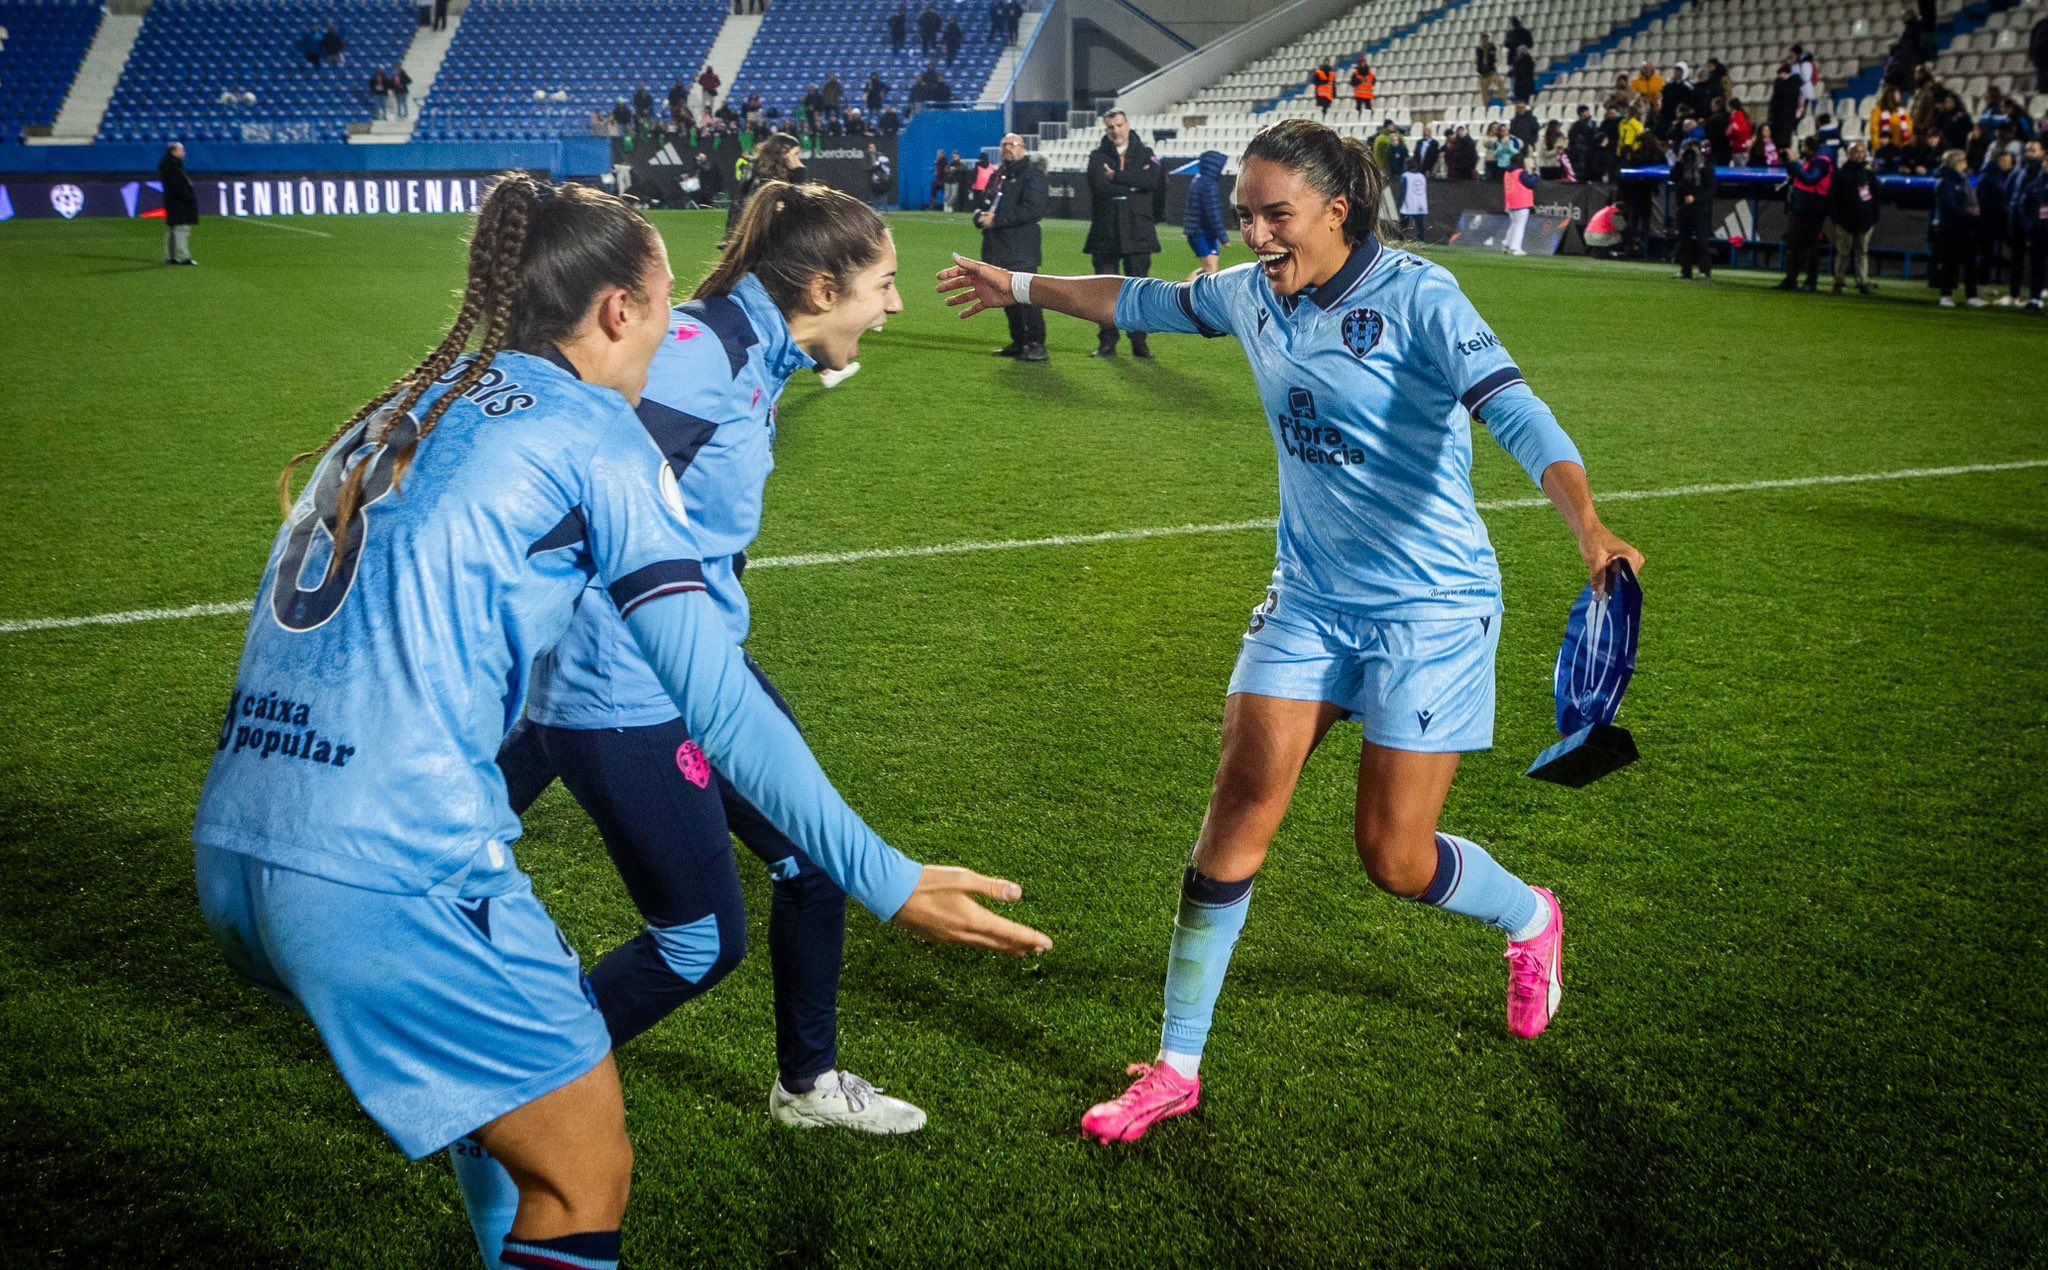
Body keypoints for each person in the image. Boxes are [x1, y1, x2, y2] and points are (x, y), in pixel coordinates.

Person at [197, 175, 1049, 1270]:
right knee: (585, 1172)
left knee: (526, 1128)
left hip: (239, 840)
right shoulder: (597, 431)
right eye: (660, 306)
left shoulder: (403, 408)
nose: (673, 328)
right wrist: (884, 875)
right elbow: (717, 699)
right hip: (390, 865)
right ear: (616, 312)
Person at [937, 116, 1641, 1147]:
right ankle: (1175, 1068)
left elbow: (1515, 411)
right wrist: (1016, 284)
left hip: (1430, 610)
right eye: (1245, 215)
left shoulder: (1419, 297)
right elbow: (1139, 299)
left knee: (1393, 858)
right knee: (1232, 823)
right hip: (1308, 600)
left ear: (1336, 211)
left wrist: (1588, 527)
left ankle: (1530, 916)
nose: (1257, 234)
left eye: (1277, 215)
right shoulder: (1249, 294)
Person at [495, 181, 947, 1155]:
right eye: (883, 283)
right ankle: (505, 1084)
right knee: (699, 944)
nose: (895, 305)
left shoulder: (751, 351)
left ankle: (808, 1083)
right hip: (629, 687)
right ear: (821, 289)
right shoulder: (700, 358)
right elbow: (576, 493)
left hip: (689, 667)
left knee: (814, 862)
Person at [1083, 110, 1163, 359]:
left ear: (1127, 126)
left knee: (1138, 291)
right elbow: (1099, 187)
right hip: (1105, 233)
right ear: (1106, 130)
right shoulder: (1097, 156)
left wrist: (1116, 176)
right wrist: (1133, 186)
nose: (1115, 130)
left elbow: (1152, 182)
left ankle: (1139, 343)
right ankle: (1107, 343)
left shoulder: (1146, 152)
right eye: (1111, 127)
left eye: (1119, 125)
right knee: (1105, 292)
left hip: (1138, 232)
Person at [979, 134, 1050, 360]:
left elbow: (1033, 210)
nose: (1008, 148)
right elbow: (984, 203)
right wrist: (979, 217)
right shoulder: (999, 174)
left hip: (1021, 248)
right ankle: (1019, 342)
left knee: (1027, 298)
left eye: (1013, 144)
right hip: (997, 247)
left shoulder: (1033, 174)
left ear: (1023, 149)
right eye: (1004, 145)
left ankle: (1036, 344)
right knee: (1007, 297)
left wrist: (996, 220)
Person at [1777, 136, 1834, 291]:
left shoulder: (1822, 163)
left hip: (1812, 210)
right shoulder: (1812, 161)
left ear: (1808, 148)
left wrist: (1794, 162)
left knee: (1810, 247)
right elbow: (1798, 176)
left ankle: (1810, 281)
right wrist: (1789, 162)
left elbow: (1810, 179)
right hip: (1801, 209)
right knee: (1794, 245)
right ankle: (1791, 279)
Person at [1931, 148, 1984, 306]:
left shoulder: (1962, 179)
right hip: (1949, 228)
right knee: (1950, 263)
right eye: (1963, 160)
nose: (1965, 164)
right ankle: (1946, 295)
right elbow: (1948, 207)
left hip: (1965, 228)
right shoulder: (1945, 182)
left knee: (1969, 263)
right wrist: (1970, 213)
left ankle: (1971, 296)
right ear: (1955, 163)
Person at [1829, 140, 1881, 295]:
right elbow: (1832, 198)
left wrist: (1873, 218)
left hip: (1865, 220)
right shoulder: (1841, 174)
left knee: (1862, 252)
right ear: (1849, 154)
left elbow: (1876, 198)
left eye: (1862, 152)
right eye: (1856, 152)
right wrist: (1836, 219)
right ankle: (1839, 281)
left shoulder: (1869, 175)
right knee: (1843, 252)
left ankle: (1862, 281)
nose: (1859, 155)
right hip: (1845, 220)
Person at [728, 132, 804, 235]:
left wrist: (799, 171)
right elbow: (741, 202)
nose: (798, 159)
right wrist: (799, 171)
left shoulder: (786, 172)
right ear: (783, 153)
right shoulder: (762, 175)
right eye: (796, 154)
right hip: (757, 234)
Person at [1670, 138, 1716, 280]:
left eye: (1692, 148)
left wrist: (1696, 198)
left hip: (1700, 208)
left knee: (1702, 240)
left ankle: (1705, 271)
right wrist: (1679, 161)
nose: (1690, 152)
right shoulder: (1681, 164)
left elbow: (1711, 189)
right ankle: (1686, 270)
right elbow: (1673, 178)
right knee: (1684, 240)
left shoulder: (1705, 165)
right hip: (1684, 207)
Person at [1184, 148, 1230, 277]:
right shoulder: (1209, 184)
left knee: (1208, 270)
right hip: (1202, 233)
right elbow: (1212, 213)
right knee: (1211, 271)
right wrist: (1223, 237)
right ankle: (1183, 289)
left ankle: (1186, 285)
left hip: (1200, 231)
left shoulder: (1198, 180)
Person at [158, 142, 197, 266]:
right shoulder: (173, 168)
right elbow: (178, 187)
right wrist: (189, 198)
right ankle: (182, 257)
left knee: (173, 229)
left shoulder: (169, 165)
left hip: (173, 203)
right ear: (173, 152)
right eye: (181, 150)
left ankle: (171, 257)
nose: (184, 153)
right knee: (181, 229)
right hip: (179, 204)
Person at [1502, 150, 1537, 255]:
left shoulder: (1507, 172)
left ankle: (1507, 244)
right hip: (1521, 202)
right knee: (1520, 225)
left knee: (1514, 224)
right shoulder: (1521, 172)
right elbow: (1531, 183)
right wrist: (1535, 174)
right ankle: (1515, 248)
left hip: (1510, 202)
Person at [1768, 63, 1802, 149]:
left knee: (1786, 137)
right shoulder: (1778, 82)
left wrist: (1800, 108)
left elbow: (1801, 95)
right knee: (1776, 137)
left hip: (1788, 114)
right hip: (1778, 115)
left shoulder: (1795, 81)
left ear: (1784, 73)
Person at [1399, 156, 1429, 241]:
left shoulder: (1405, 176)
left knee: (1404, 224)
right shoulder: (1422, 176)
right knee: (1420, 225)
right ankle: (1421, 241)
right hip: (1420, 204)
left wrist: (1400, 203)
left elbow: (1403, 191)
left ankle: (1401, 240)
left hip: (1408, 203)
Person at [1568, 105, 1599, 180]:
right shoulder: (1576, 125)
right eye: (1585, 112)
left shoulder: (1593, 123)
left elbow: (1596, 136)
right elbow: (1573, 139)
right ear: (1581, 113)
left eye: (1587, 111)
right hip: (1580, 153)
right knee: (1581, 174)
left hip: (1592, 151)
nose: (1587, 113)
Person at [1476, 34, 1504, 106]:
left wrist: (1489, 52)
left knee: (1500, 84)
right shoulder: (1479, 49)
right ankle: (1486, 106)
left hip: (1492, 72)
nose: (1485, 41)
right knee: (1484, 92)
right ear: (1481, 40)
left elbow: (1493, 58)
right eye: (1483, 40)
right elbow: (1479, 61)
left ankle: (1504, 101)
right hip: (1483, 74)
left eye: (1486, 40)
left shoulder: (1492, 47)